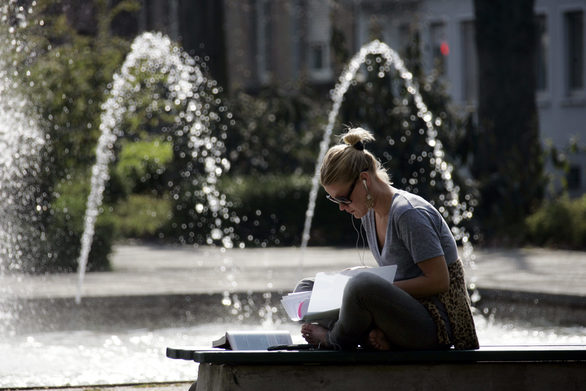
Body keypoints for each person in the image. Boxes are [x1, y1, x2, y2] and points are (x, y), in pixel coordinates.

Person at [299, 127, 479, 351]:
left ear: (364, 180)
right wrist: (356, 274)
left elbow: (439, 281)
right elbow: (400, 270)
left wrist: (368, 283)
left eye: (344, 199)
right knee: (306, 289)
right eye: (336, 201)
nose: (343, 208)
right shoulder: (369, 212)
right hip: (399, 314)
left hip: (435, 324)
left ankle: (333, 339)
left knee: (361, 286)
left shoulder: (408, 213)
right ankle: (374, 337)